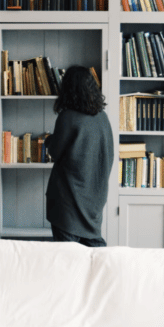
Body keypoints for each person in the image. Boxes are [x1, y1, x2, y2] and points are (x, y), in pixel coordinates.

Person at [45, 65, 114, 247]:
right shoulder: (102, 117)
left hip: (68, 200)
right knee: (95, 255)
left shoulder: (67, 117)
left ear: (68, 89)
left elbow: (54, 151)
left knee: (69, 260)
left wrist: (48, 140)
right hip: (94, 198)